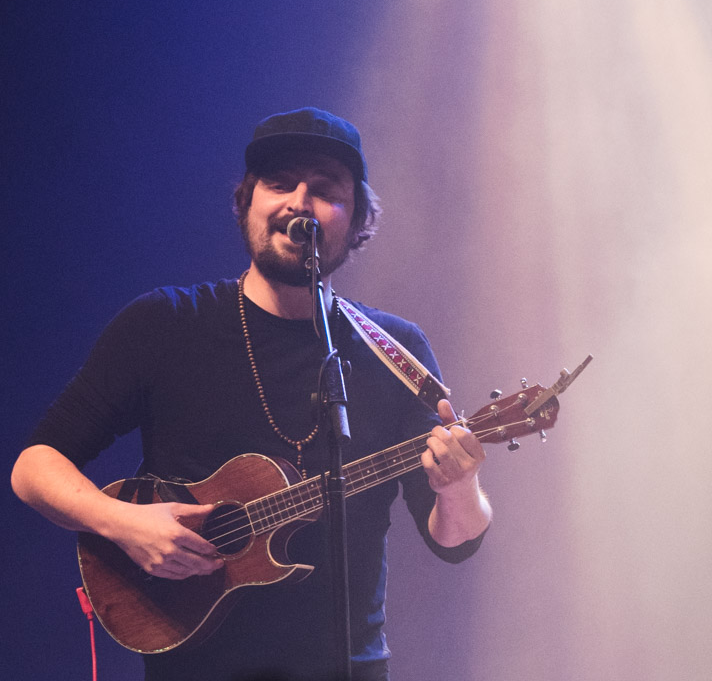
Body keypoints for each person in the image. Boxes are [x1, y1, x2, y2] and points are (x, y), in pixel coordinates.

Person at [11, 107, 492, 681]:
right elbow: (34, 466)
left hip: (348, 667)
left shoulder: (396, 352)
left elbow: (452, 541)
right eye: (280, 181)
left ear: (357, 217)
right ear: (247, 201)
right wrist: (123, 523)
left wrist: (460, 484)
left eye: (325, 189)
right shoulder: (165, 324)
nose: (299, 202)